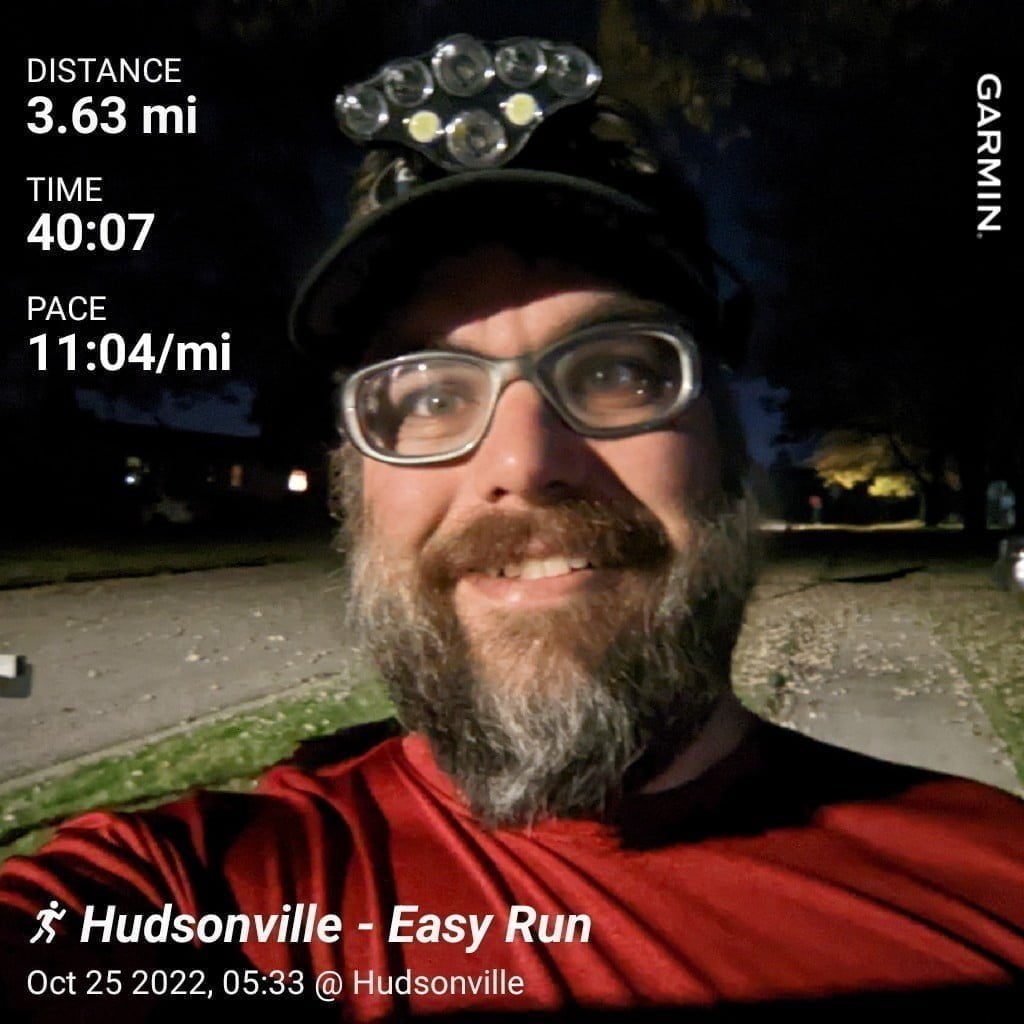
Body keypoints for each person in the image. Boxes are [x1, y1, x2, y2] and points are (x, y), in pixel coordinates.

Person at [2, 34, 1022, 1021]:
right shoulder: (196, 896)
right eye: (428, 395)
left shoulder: (995, 884)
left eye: (615, 371)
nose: (523, 463)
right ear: (355, 485)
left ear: (725, 445)